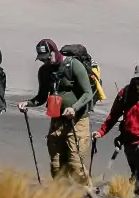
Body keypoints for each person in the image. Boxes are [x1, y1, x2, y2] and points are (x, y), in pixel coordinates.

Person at [21, 39, 95, 182]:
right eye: (42, 59)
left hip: (77, 121)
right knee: (56, 166)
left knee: (75, 164)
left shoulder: (74, 65)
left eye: (47, 58)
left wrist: (74, 108)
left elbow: (87, 93)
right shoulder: (44, 71)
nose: (45, 62)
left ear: (54, 52)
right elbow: (42, 97)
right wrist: (28, 104)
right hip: (57, 121)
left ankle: (86, 195)